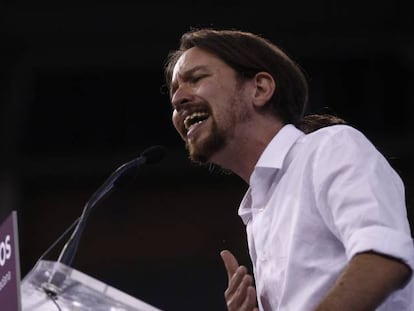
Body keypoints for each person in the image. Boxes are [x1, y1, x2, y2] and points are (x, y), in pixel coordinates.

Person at [163, 28, 414, 310]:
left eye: (196, 79)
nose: (177, 100)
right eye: (174, 92)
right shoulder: (258, 211)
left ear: (259, 88)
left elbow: (385, 257)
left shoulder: (329, 148)